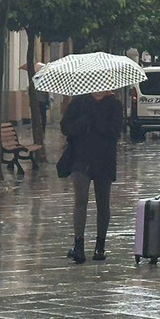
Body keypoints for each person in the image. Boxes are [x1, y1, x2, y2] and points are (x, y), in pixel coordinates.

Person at [59, 90, 122, 263]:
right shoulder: (79, 102)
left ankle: (100, 246)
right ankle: (78, 245)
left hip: (104, 159)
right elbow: (65, 127)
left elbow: (116, 131)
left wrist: (96, 120)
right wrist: (82, 123)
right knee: (81, 200)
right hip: (80, 159)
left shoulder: (114, 104)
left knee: (103, 203)